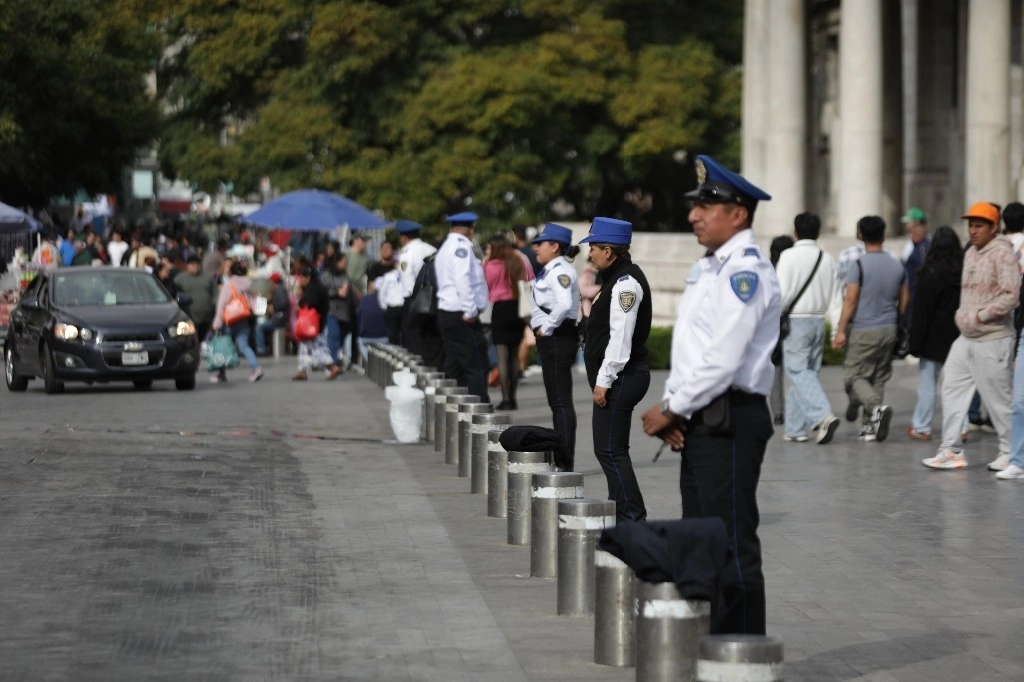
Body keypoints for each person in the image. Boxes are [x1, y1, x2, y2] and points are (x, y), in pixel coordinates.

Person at [640, 154, 779, 635]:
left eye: (705, 206)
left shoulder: (745, 273)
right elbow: (692, 350)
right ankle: (711, 645)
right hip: (703, 416)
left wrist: (671, 408)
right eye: (695, 205)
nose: (693, 215)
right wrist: (677, 409)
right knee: (700, 539)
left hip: (731, 418)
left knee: (731, 543)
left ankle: (742, 655)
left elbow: (724, 359)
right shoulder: (710, 268)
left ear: (738, 214)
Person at [923, 202, 1019, 470]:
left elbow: (1011, 294)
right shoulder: (971, 253)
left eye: (979, 226)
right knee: (950, 389)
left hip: (992, 337)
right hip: (965, 338)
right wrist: (964, 317)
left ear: (994, 227)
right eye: (970, 225)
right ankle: (951, 449)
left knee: (998, 400)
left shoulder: (1003, 253)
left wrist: (981, 315)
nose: (973, 231)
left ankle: (1012, 452)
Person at [580, 218, 651, 522]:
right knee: (612, 449)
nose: (590, 254)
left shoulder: (626, 284)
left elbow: (621, 338)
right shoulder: (615, 278)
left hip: (622, 377)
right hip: (619, 377)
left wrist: (604, 380)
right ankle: (623, 513)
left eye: (593, 248)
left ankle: (632, 517)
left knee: (609, 450)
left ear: (608, 251)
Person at [830, 216, 908, 442]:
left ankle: (875, 407)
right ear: (883, 235)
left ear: (860, 236)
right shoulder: (897, 264)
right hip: (889, 328)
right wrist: (895, 318)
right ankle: (869, 426)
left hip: (864, 328)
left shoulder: (859, 265)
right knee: (878, 377)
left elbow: (851, 299)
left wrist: (840, 330)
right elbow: (905, 299)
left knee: (853, 375)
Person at [775, 212, 839, 444]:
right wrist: (837, 330)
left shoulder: (788, 256)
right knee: (806, 374)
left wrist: (772, 318)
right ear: (818, 232)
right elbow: (836, 299)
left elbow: (781, 293)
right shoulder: (828, 259)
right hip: (819, 321)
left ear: (795, 231)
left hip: (796, 320)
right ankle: (795, 428)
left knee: (797, 372)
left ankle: (822, 415)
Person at [530, 223, 580, 470]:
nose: (536, 248)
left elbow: (564, 304)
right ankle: (563, 458)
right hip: (554, 338)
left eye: (541, 243)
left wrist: (546, 328)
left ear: (555, 246)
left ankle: (565, 461)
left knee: (561, 403)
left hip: (558, 337)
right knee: (557, 402)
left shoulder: (560, 270)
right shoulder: (551, 269)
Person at [906, 226, 963, 440]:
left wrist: (915, 342)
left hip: (932, 337)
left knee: (928, 384)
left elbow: (922, 312)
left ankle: (922, 426)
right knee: (957, 385)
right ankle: (962, 427)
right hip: (958, 334)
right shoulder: (963, 273)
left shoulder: (930, 274)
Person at [435, 212, 490, 402]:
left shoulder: (445, 247)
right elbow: (462, 279)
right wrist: (470, 310)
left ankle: (453, 407)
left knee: (455, 365)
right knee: (477, 364)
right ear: (471, 230)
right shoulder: (461, 247)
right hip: (461, 314)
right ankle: (480, 407)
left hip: (448, 312)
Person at [483, 233, 533, 410]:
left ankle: (505, 399)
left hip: (500, 310)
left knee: (502, 356)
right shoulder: (517, 261)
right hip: (517, 309)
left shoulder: (491, 265)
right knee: (513, 355)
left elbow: (485, 285)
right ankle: (513, 397)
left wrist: (485, 262)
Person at [211, 259, 263, 383]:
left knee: (225, 346)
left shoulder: (229, 285)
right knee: (244, 346)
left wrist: (217, 323)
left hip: (230, 321)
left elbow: (221, 305)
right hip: (244, 319)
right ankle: (256, 368)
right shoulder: (248, 284)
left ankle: (221, 373)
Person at [396, 219, 437, 354]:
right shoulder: (432, 249)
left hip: (415, 300)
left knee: (413, 340)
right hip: (434, 298)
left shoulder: (407, 254)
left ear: (403, 237)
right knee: (431, 338)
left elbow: (408, 283)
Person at [768, 235, 794, 423]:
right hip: (794, 320)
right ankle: (796, 409)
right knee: (797, 368)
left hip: (772, 323)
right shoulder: (793, 269)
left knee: (775, 367)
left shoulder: (767, 270)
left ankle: (778, 411)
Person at [293, 264, 334, 381]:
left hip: (313, 325)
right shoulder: (316, 286)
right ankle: (302, 371)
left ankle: (333, 367)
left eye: (302, 277)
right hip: (316, 324)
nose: (300, 280)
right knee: (304, 348)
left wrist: (301, 306)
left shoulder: (313, 289)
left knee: (317, 349)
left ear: (308, 277)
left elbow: (312, 303)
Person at [319, 252, 351, 380]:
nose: (344, 264)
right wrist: (336, 292)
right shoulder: (326, 275)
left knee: (340, 337)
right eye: (342, 261)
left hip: (344, 311)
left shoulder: (345, 275)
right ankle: (332, 365)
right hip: (332, 310)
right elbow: (322, 292)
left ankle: (335, 362)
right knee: (334, 335)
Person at [175, 255, 217, 340]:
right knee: (191, 339)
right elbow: (175, 294)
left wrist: (213, 305)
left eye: (197, 265)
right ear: (188, 265)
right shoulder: (180, 279)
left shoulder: (208, 277)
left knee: (204, 339)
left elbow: (215, 293)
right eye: (192, 265)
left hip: (206, 317)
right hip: (189, 317)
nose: (195, 267)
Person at [254, 272, 291, 356]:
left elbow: (283, 303)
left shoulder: (280, 290)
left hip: (279, 318)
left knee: (259, 327)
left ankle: (261, 349)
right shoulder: (280, 289)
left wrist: (274, 306)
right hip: (280, 317)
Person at [357, 278, 390, 362]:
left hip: (365, 337)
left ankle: (369, 362)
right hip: (383, 338)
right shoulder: (387, 301)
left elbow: (359, 319)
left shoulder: (364, 299)